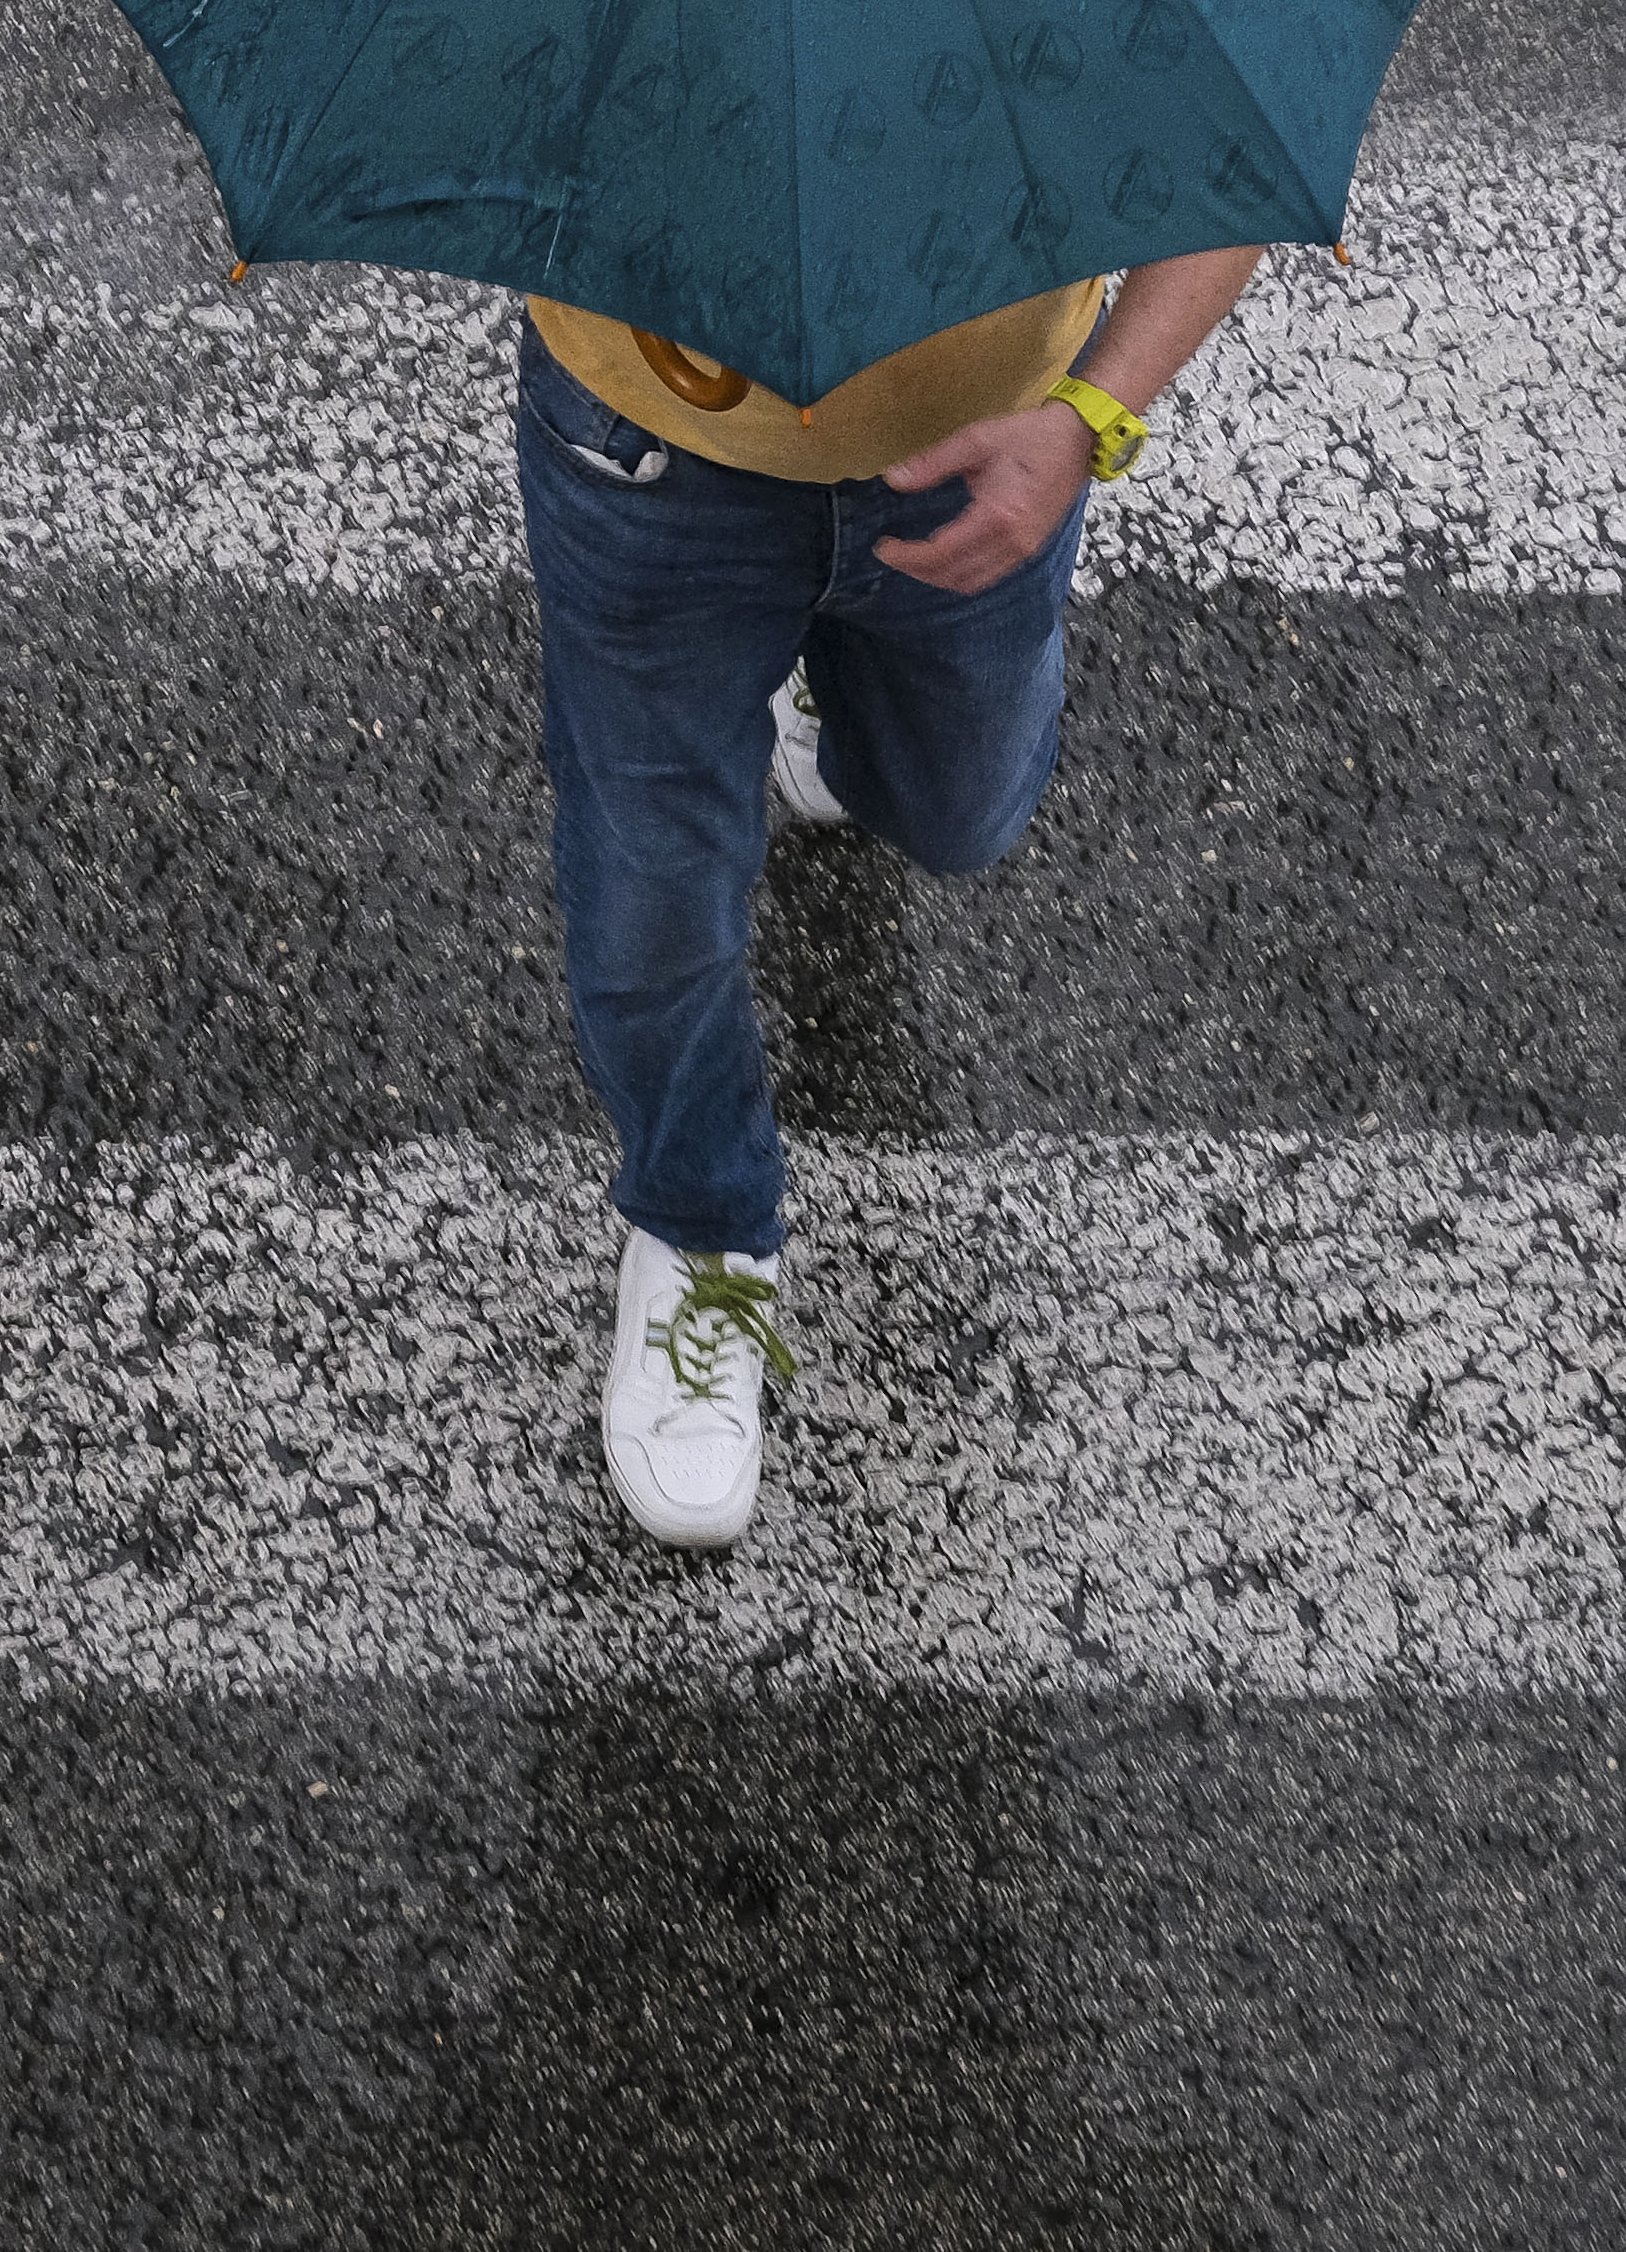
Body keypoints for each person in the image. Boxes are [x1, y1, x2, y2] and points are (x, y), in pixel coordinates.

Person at [514, 246, 1270, 1548]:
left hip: (987, 433)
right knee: (650, 896)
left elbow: (1237, 158)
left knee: (957, 812)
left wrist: (1095, 413)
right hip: (649, 449)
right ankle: (699, 1223)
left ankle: (819, 677)